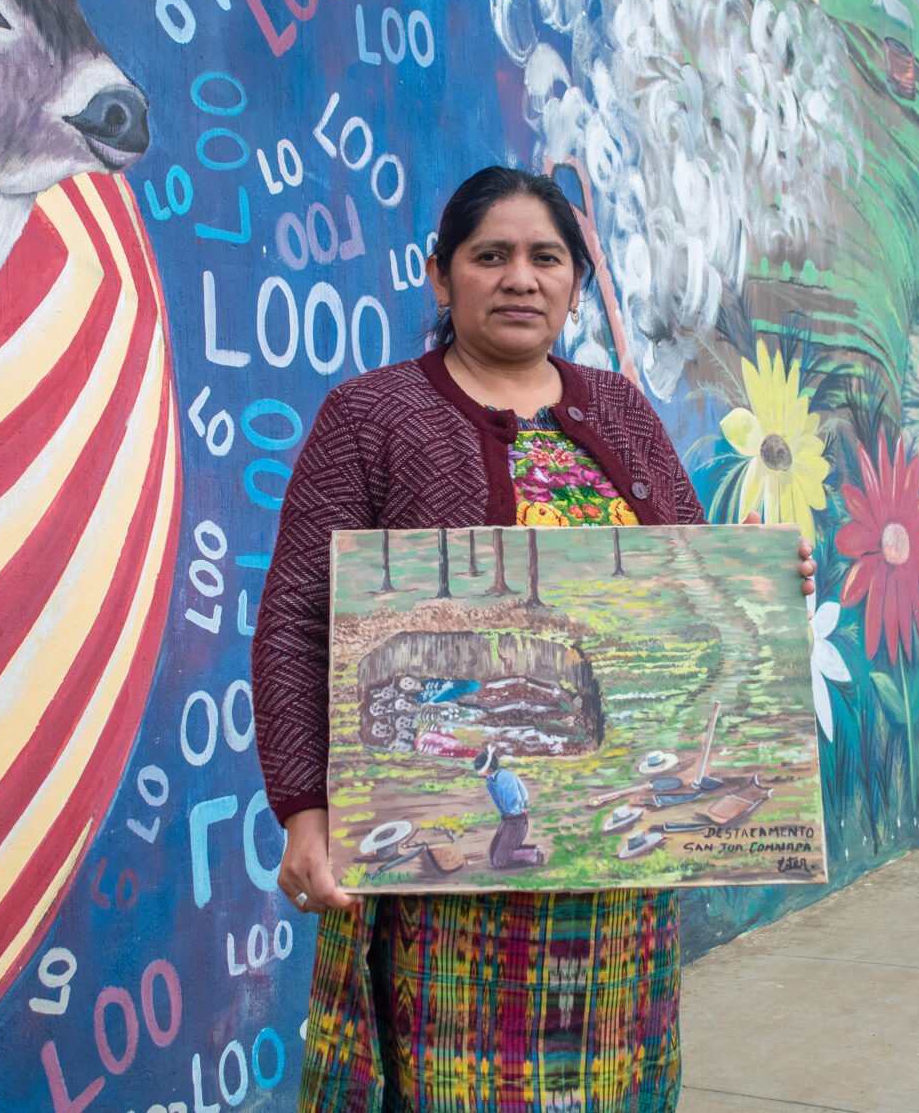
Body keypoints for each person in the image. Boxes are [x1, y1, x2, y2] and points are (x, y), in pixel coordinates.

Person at [253, 165, 816, 1110]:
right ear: (441, 277)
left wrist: (759, 583)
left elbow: (684, 588)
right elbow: (300, 617)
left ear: (574, 283)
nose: (521, 278)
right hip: (446, 879)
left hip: (613, 881)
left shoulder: (622, 416)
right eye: (491, 256)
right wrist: (305, 810)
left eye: (546, 258)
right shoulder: (372, 418)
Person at [475, 744, 544, 867]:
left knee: (500, 860)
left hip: (516, 819)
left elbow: (520, 794)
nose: (478, 771)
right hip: (507, 819)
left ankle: (535, 854)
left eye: (479, 768)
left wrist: (521, 809)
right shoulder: (490, 781)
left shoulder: (504, 777)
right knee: (492, 857)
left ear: (488, 767)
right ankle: (532, 849)